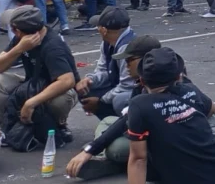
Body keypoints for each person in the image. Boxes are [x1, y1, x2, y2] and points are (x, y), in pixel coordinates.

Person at [125, 48, 215, 184]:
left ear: (142, 81)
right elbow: (211, 109)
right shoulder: (189, 89)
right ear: (179, 77)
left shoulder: (139, 105)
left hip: (180, 177)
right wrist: (183, 115)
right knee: (209, 114)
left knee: (147, 136)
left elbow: (138, 159)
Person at [65, 35, 167, 181]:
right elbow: (126, 119)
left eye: (129, 60)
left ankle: (113, 161)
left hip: (153, 141)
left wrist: (91, 149)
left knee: (116, 148)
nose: (125, 65)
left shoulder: (161, 85)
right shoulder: (141, 83)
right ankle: (108, 157)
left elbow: (128, 120)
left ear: (144, 60)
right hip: (138, 131)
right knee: (108, 121)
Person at [0, 5, 79, 146]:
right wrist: (18, 49)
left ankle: (58, 126)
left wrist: (31, 103)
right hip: (30, 84)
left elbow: (67, 80)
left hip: (52, 87)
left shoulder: (53, 45)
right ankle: (8, 129)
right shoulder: (21, 38)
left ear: (17, 30)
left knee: (61, 99)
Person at [75, 7, 136, 119]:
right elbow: (104, 71)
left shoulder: (126, 47)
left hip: (136, 92)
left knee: (119, 100)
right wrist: (90, 80)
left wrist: (100, 101)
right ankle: (109, 123)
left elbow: (127, 86)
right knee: (84, 89)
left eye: (98, 26)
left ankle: (124, 126)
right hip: (118, 85)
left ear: (104, 30)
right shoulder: (107, 43)